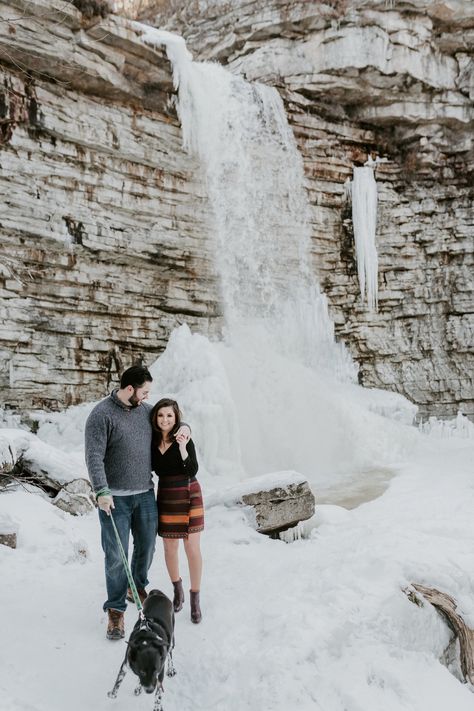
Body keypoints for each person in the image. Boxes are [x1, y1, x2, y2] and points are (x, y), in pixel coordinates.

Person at [84, 365, 190, 640]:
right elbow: (94, 456)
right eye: (143, 392)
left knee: (147, 546)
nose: (146, 397)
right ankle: (116, 610)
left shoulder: (145, 412)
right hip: (114, 499)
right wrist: (101, 490)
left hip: (144, 494)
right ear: (129, 389)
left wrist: (185, 427)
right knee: (116, 556)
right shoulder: (101, 415)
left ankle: (136, 585)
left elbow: (171, 420)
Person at [151, 398, 204, 624]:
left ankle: (195, 599)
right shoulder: (151, 440)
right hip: (166, 495)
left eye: (170, 416)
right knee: (169, 546)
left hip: (188, 491)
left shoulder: (184, 437)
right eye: (161, 415)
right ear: (155, 418)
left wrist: (183, 446)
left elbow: (193, 468)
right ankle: (177, 590)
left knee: (191, 546)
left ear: (176, 418)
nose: (165, 419)